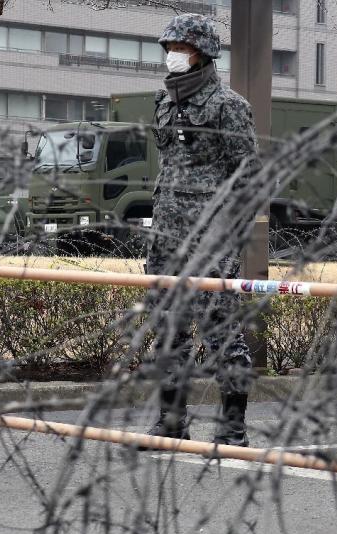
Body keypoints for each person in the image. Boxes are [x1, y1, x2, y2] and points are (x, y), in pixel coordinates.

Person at [145, 13, 259, 447]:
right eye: (170, 47)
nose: (174, 55)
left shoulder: (229, 106)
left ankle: (233, 427)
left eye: (183, 48)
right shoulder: (164, 100)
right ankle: (171, 420)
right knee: (168, 328)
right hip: (167, 231)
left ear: (203, 54)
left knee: (220, 329)